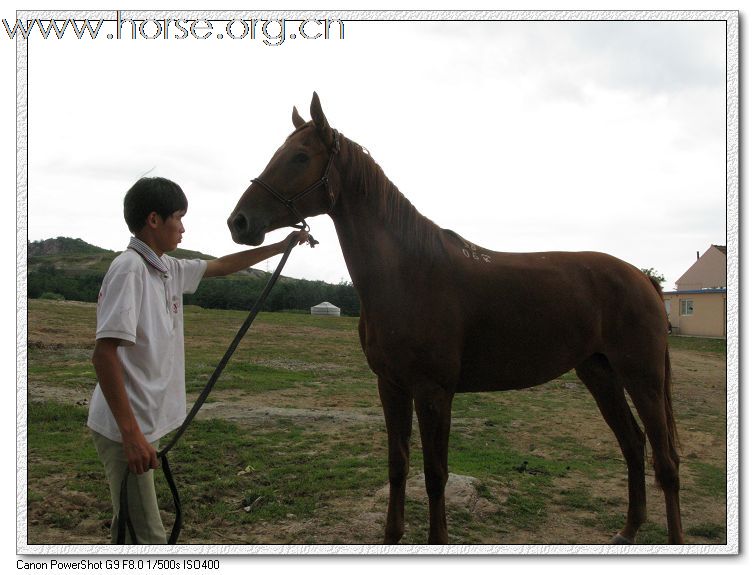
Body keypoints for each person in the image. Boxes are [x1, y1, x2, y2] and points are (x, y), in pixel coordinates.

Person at [88, 176, 309, 544]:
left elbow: (221, 265)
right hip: (125, 426)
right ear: (154, 220)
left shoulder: (166, 268)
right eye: (178, 217)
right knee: (150, 542)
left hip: (140, 424)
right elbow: (104, 354)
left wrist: (279, 246)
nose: (183, 227)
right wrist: (131, 435)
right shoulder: (130, 269)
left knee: (130, 525)